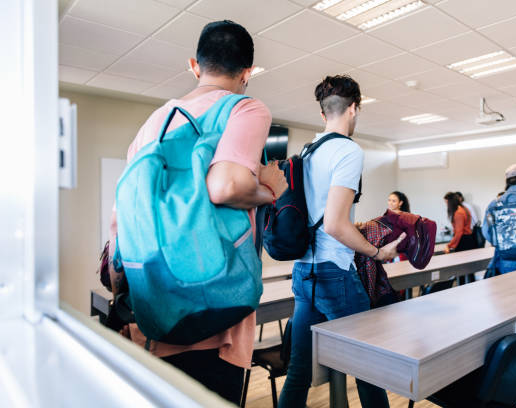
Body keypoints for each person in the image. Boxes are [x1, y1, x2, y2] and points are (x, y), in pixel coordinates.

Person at [107, 20, 288, 404]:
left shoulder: (153, 124)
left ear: (194, 65)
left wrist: (123, 292)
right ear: (247, 73)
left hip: (155, 307)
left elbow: (122, 217)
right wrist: (272, 186)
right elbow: (226, 187)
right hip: (217, 314)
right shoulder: (245, 108)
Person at [278, 75, 404, 408]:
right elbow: (334, 224)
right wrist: (378, 251)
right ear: (354, 109)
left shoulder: (307, 150)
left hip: (304, 271)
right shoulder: (348, 151)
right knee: (370, 368)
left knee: (299, 371)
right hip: (335, 272)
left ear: (322, 114)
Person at [444, 192, 477, 283]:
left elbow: (459, 232)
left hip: (463, 242)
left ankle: (462, 288)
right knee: (469, 270)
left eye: (446, 202)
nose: (446, 205)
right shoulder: (464, 209)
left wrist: (449, 245)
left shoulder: (458, 213)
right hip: (468, 240)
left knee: (461, 270)